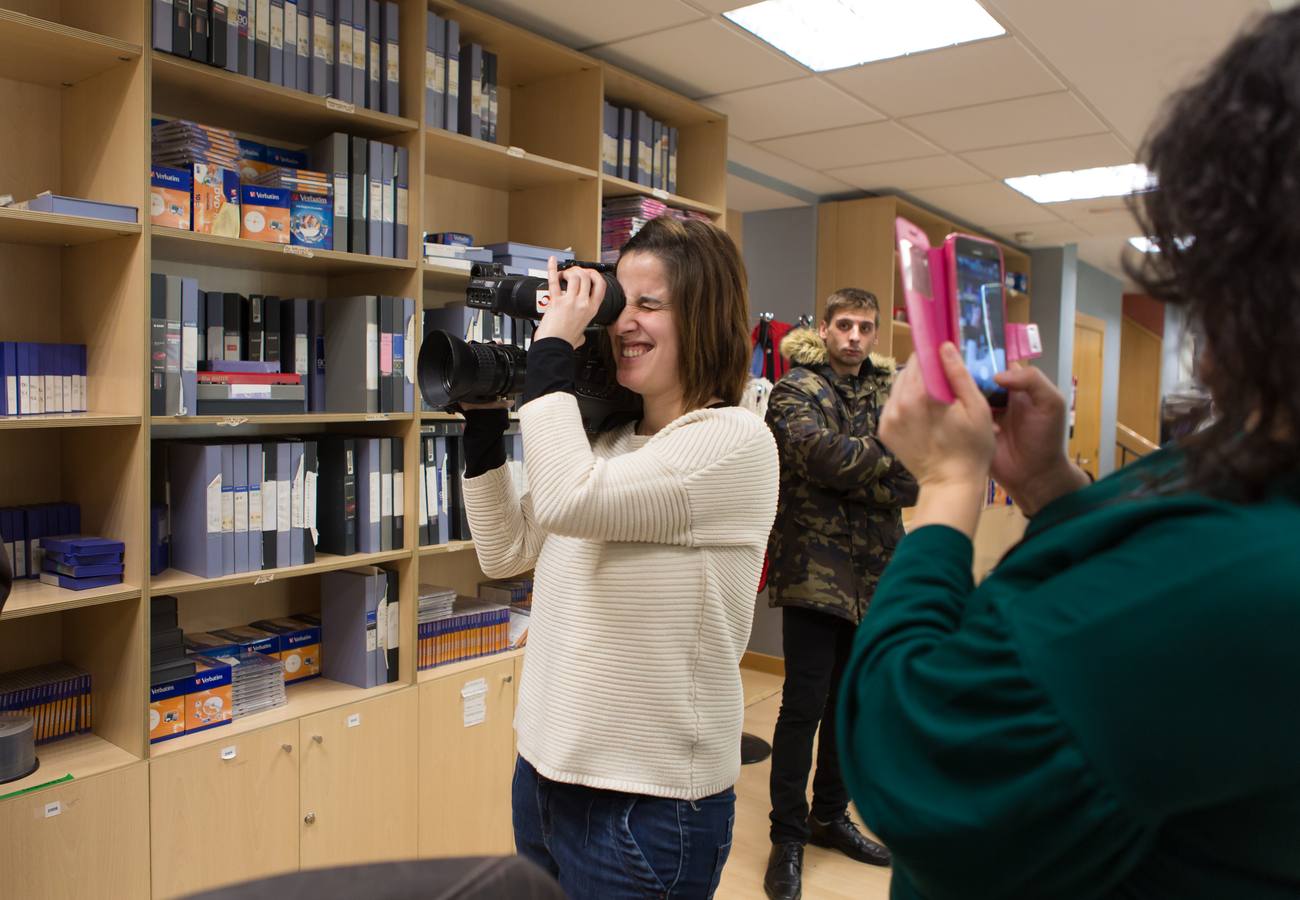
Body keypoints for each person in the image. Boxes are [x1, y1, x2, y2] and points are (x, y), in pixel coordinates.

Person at [836, 8, 1300, 898]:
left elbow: (913, 757)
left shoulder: (1251, 578)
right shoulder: (1261, 459)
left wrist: (947, 481)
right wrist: (1048, 484)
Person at [459, 216, 779, 899]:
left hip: (648, 802)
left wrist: (550, 354)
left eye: (649, 304)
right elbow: (504, 550)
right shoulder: (611, 440)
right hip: (545, 774)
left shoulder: (732, 442)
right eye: (616, 305)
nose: (622, 323)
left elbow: (570, 501)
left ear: (707, 315)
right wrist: (485, 425)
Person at [761, 289, 917, 900]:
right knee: (803, 707)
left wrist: (860, 468)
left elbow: (910, 480)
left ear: (876, 335)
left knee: (851, 705)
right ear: (823, 329)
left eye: (865, 327)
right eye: (844, 325)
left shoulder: (890, 392)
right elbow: (817, 456)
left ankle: (830, 815)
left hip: (877, 573)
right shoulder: (794, 388)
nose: (854, 336)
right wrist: (882, 459)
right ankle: (789, 836)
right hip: (813, 571)